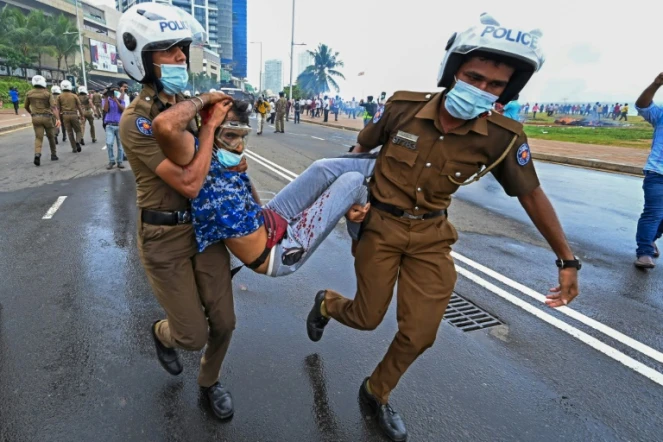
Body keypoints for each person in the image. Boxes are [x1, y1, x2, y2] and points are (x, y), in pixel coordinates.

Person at [304, 15, 581, 442]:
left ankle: (377, 391)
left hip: (432, 238)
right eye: (475, 77)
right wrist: (351, 203)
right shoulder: (403, 107)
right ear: (454, 70)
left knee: (420, 334)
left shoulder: (503, 136)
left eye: (495, 85)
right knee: (366, 317)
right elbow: (359, 150)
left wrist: (566, 259)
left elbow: (531, 194)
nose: (483, 90)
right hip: (379, 228)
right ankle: (326, 304)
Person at [117, 2, 237, 420]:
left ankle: (209, 382)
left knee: (223, 322)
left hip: (203, 230)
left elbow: (214, 161)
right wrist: (206, 125)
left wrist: (227, 146)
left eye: (181, 47)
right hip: (163, 239)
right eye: (168, 49)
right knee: (191, 333)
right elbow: (189, 181)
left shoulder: (186, 105)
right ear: (142, 59)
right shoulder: (138, 122)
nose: (181, 56)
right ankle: (162, 334)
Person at [153, 99, 374, 277]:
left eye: (242, 137)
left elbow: (254, 206)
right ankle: (359, 241)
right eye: (229, 135)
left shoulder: (227, 160)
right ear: (209, 129)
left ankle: (384, 163)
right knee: (353, 181)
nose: (239, 146)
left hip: (268, 218)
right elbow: (164, 125)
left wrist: (242, 175)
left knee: (321, 168)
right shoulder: (196, 153)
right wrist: (208, 107)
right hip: (277, 251)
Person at [633, 73, 663, 269]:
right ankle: (644, 252)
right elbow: (642, 105)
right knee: (653, 213)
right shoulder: (661, 114)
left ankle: (651, 238)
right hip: (658, 174)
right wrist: (656, 84)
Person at [24, 75, 60, 166]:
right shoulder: (47, 93)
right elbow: (53, 107)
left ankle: (37, 153)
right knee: (51, 136)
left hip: (35, 117)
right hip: (47, 117)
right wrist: (58, 119)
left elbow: (25, 106)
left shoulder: (29, 93)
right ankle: (54, 155)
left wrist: (32, 113)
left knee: (38, 137)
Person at [102, 85, 126, 170]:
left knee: (120, 145)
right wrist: (107, 99)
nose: (113, 93)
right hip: (110, 126)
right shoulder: (106, 100)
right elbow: (105, 110)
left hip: (119, 126)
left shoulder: (121, 100)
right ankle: (111, 161)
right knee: (109, 143)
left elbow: (123, 110)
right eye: (111, 92)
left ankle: (120, 162)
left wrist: (117, 101)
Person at [57, 80, 84, 153]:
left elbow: (58, 109)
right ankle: (78, 141)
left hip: (65, 115)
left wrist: (58, 118)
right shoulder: (74, 96)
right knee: (78, 130)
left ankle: (74, 148)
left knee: (69, 132)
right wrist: (82, 115)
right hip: (74, 114)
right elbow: (79, 107)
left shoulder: (59, 96)